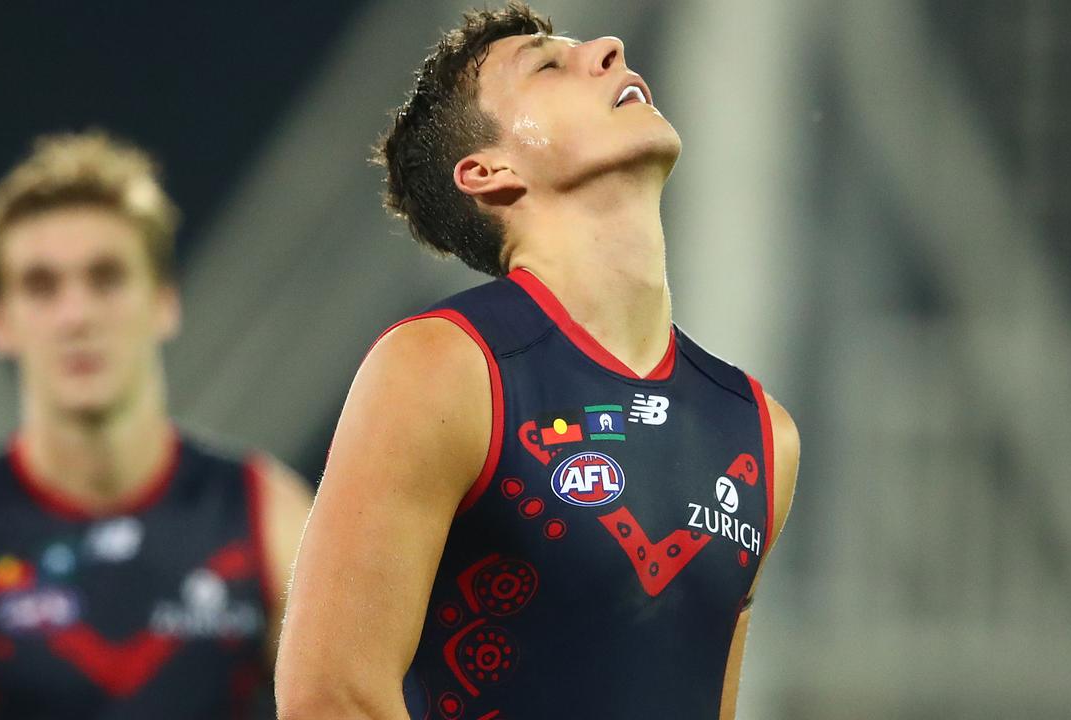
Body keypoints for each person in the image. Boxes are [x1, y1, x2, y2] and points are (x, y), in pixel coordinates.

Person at [276, 3, 799, 719]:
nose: (611, 48)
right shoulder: (446, 368)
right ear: (488, 170)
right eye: (550, 64)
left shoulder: (764, 433)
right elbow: (331, 697)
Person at [0, 132, 312, 719]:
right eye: (41, 286)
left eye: (107, 277)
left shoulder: (271, 520)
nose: (77, 315)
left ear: (164, 301)